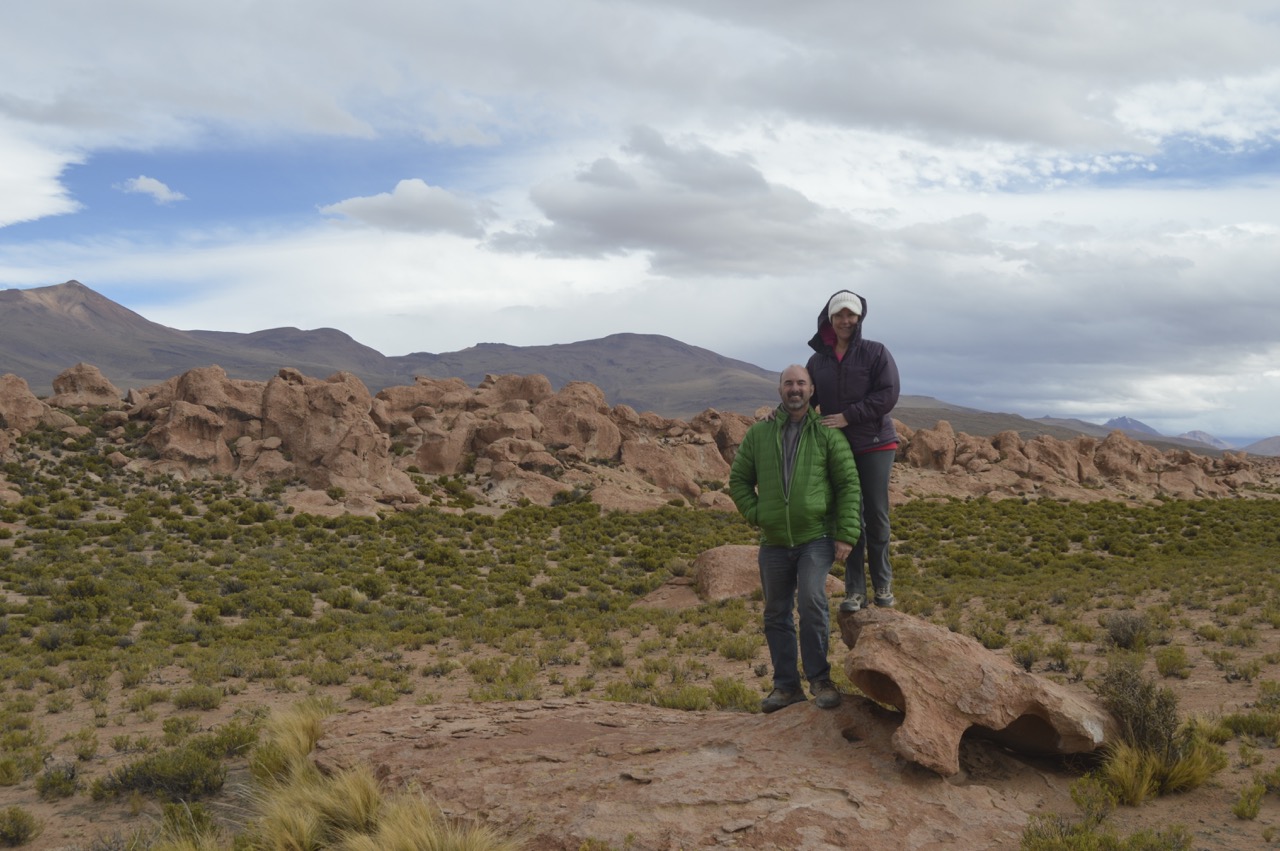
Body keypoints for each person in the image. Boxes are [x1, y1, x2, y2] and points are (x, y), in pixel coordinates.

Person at [729, 365, 862, 713]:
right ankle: (786, 687)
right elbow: (739, 480)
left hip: (815, 537)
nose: (795, 389)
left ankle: (820, 680)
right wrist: (758, 513)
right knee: (776, 612)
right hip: (773, 541)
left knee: (812, 601)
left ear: (811, 389)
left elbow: (849, 484)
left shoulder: (828, 435)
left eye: (801, 383)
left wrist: (846, 534)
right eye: (788, 383)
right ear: (779, 390)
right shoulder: (760, 434)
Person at [806, 290, 901, 614]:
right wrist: (778, 415)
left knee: (875, 513)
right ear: (829, 318)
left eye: (851, 315)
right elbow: (806, 398)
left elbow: (888, 394)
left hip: (875, 443)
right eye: (839, 315)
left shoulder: (875, 352)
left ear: (859, 318)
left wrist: (849, 416)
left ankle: (883, 584)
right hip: (839, 447)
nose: (845, 321)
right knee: (849, 515)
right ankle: (856, 590)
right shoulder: (818, 361)